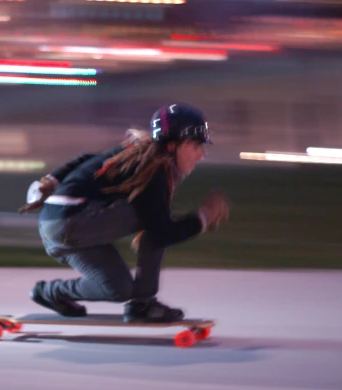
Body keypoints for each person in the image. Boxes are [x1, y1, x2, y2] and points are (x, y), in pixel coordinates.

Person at [18, 103, 230, 323]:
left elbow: (86, 158)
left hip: (61, 225)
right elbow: (161, 234)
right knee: (155, 221)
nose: (201, 155)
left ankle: (50, 293)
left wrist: (52, 180)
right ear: (172, 145)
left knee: (118, 289)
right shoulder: (152, 168)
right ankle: (143, 304)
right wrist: (202, 218)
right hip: (69, 222)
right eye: (196, 146)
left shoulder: (135, 154)